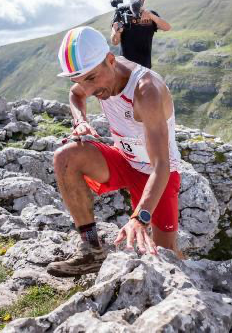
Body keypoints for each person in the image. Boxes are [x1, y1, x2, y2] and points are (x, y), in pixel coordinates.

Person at [46, 26, 182, 277]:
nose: (87, 88)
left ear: (110, 60)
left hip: (159, 173)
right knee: (65, 157)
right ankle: (91, 250)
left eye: (91, 79)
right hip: (125, 160)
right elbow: (76, 94)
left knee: (166, 256)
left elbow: (161, 165)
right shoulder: (94, 76)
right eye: (80, 79)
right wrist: (80, 121)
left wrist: (139, 218)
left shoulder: (146, 90)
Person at [110, 0, 171, 69]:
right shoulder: (121, 11)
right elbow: (114, 41)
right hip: (125, 68)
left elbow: (167, 27)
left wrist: (151, 16)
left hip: (145, 67)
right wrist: (117, 32)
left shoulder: (151, 13)